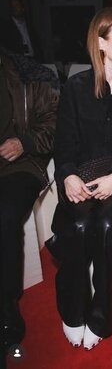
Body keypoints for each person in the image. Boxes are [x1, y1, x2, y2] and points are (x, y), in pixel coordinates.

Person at [47, 7, 112, 350]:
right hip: (81, 178)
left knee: (106, 227)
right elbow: (64, 143)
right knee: (78, 226)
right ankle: (72, 309)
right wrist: (68, 176)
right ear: (101, 42)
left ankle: (101, 312)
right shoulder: (76, 87)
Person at [0, 47, 58, 360]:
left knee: (5, 215)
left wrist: (25, 142)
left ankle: (7, 304)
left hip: (22, 166)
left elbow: (55, 127)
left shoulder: (30, 76)